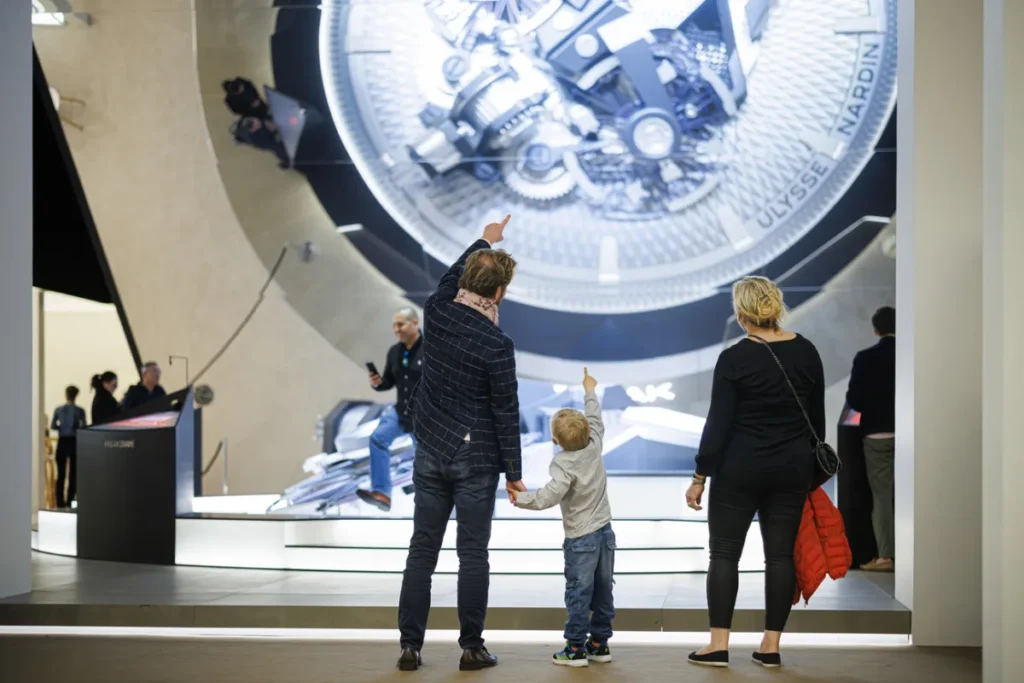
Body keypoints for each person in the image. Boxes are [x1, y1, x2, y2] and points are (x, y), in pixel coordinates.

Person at [397, 215, 524, 672]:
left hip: (431, 448)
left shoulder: (437, 309)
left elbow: (452, 274)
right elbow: (505, 411)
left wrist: (485, 239)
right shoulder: (497, 343)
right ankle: (471, 648)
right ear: (499, 293)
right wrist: (514, 474)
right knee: (472, 555)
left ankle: (409, 647)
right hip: (477, 458)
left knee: (421, 551)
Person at [685, 276, 825, 669]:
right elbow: (817, 423)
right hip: (791, 469)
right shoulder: (807, 351)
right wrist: (806, 472)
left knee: (724, 554)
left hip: (739, 470)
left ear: (741, 312)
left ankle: (718, 645)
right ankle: (770, 646)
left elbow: (718, 424)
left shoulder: (734, 358)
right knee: (780, 556)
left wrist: (700, 476)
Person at [513, 368, 615, 668]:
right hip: (606, 534)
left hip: (580, 539)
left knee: (578, 593)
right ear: (588, 432)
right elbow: (595, 417)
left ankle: (575, 648)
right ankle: (599, 644)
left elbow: (549, 496)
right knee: (603, 590)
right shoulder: (595, 445)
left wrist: (520, 498)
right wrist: (589, 390)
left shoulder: (562, 463)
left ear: (555, 441)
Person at [357, 308, 425, 512]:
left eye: (401, 324)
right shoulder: (394, 352)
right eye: (394, 325)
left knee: (424, 460)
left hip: (423, 416)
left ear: (415, 323)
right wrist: (378, 383)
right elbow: (388, 382)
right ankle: (382, 494)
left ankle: (430, 502)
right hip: (400, 411)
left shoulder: (432, 349)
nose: (396, 329)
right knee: (378, 439)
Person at [845, 306, 896, 572]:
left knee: (882, 495)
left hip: (878, 434)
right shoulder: (911, 356)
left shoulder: (865, 358)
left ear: (875, 330)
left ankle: (886, 556)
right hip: (913, 434)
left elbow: (854, 400)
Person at [51, 385, 87, 508]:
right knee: (73, 473)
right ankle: (70, 501)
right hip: (74, 441)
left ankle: (60, 502)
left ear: (66, 394)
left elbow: (53, 426)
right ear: (76, 395)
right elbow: (83, 426)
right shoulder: (80, 410)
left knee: (61, 473)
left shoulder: (59, 409)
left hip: (62, 440)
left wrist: (61, 428)